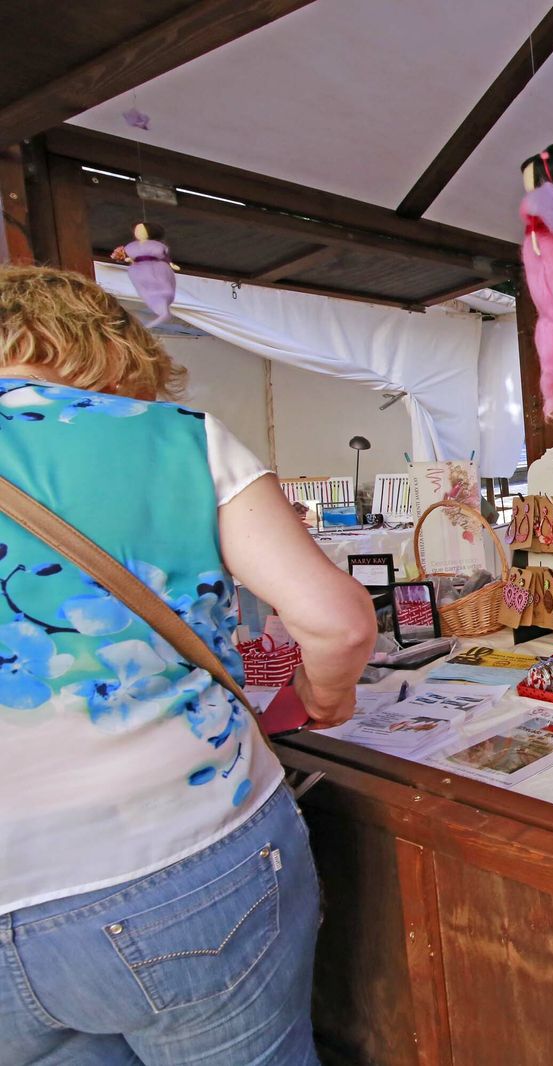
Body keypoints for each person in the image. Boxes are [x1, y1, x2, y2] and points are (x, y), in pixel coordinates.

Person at [0, 265, 377, 1062]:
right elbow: (337, 623)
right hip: (185, 861)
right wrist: (325, 697)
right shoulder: (168, 434)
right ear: (110, 348)